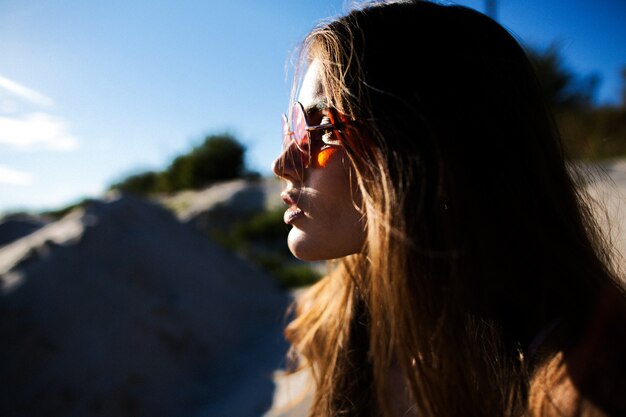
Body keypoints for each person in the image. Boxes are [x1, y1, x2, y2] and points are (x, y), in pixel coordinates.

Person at [270, 1, 626, 416]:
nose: (283, 163)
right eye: (294, 127)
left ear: (433, 152)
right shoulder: (337, 319)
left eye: (325, 129)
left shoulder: (588, 385)